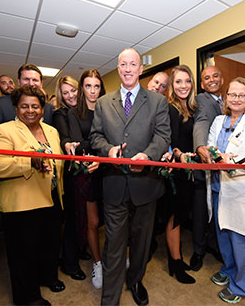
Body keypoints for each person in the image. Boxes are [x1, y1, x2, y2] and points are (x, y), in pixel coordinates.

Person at [90, 48, 170, 306]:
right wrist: (107, 150)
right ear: (118, 67)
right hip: (114, 184)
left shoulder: (157, 101)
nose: (127, 69)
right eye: (123, 64)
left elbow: (162, 137)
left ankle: (135, 281)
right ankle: (110, 298)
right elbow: (95, 136)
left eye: (132, 64)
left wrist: (147, 156)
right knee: (113, 244)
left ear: (140, 69)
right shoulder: (103, 102)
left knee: (141, 242)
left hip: (146, 185)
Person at [0, 87, 65, 306]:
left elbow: (57, 162)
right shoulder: (4, 130)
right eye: (24, 106)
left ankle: (47, 277)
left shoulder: (52, 131)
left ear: (42, 108)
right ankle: (28, 298)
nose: (30, 110)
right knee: (23, 254)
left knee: (48, 246)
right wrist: (28, 163)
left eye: (35, 106)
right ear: (16, 108)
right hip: (22, 204)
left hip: (52, 198)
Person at [206, 77, 245, 303]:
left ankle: (243, 286)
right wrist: (214, 155)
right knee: (224, 235)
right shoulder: (218, 120)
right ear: (226, 97)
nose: (236, 99)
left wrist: (229, 160)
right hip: (217, 187)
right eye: (232, 94)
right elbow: (211, 146)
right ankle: (230, 269)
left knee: (242, 240)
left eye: (241, 95)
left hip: (241, 189)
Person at [159, 65, 198, 284]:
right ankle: (175, 262)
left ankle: (178, 257)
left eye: (187, 81)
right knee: (174, 217)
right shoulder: (171, 109)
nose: (183, 86)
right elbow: (168, 140)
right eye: (178, 82)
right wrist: (177, 152)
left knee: (181, 215)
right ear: (172, 86)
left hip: (188, 170)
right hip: (175, 171)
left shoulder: (192, 108)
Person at [67, 69, 105, 289]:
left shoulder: (108, 109)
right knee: (93, 222)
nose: (92, 90)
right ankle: (97, 263)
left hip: (108, 170)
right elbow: (78, 143)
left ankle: (112, 258)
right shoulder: (74, 113)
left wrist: (97, 151)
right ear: (82, 88)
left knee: (112, 220)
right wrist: (96, 148)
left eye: (96, 86)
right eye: (88, 86)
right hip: (88, 172)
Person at [52, 75, 88, 281]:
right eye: (65, 93)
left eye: (73, 90)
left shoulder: (85, 111)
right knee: (74, 218)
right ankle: (69, 262)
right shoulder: (60, 114)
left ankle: (80, 248)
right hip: (73, 172)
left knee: (87, 215)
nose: (70, 95)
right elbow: (68, 139)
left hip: (91, 168)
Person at [191, 65, 224, 271]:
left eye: (215, 76)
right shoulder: (203, 100)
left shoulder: (228, 100)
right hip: (203, 166)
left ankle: (213, 244)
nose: (211, 80)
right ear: (202, 84)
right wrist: (200, 146)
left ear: (221, 79)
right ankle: (198, 251)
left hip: (222, 168)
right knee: (201, 211)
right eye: (206, 78)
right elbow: (201, 121)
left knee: (218, 209)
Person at [0, 64, 53, 139]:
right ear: (18, 81)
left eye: (35, 80)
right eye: (26, 79)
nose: (31, 83)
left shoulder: (49, 109)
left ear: (41, 83)